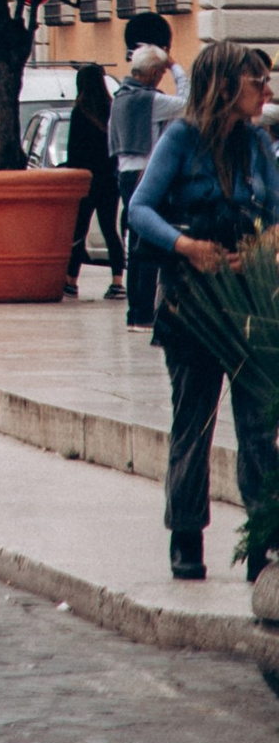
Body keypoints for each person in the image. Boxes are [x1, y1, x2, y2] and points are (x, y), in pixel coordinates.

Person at [130, 36, 279, 583]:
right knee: (194, 421)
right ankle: (186, 536)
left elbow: (278, 213)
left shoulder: (258, 143)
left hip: (249, 302)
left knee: (259, 427)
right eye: (257, 81)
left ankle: (262, 542)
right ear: (224, 85)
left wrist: (261, 250)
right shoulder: (181, 137)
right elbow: (139, 208)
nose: (266, 90)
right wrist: (186, 246)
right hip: (190, 301)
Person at [112, 20, 182, 330]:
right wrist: (176, 67)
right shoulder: (150, 100)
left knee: (136, 247)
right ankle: (143, 314)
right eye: (161, 72)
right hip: (146, 175)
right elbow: (188, 102)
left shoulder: (120, 96)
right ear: (153, 72)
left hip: (125, 175)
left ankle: (135, 313)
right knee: (150, 244)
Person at [59, 60, 123, 297]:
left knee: (79, 230)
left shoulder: (80, 112)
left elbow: (74, 151)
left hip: (86, 181)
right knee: (110, 230)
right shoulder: (112, 109)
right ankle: (117, 282)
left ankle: (71, 280)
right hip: (109, 180)